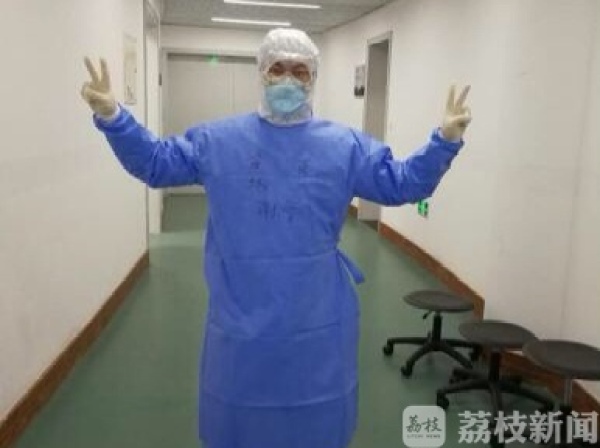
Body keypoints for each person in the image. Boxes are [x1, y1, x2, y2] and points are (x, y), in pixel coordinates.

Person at [81, 28, 471, 448]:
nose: (287, 79)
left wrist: (444, 142)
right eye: (277, 69)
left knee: (317, 414)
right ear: (262, 73)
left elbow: (402, 183)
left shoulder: (343, 147)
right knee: (238, 415)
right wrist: (115, 119)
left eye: (299, 71)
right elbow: (157, 164)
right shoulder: (218, 142)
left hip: (317, 314)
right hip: (241, 311)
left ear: (312, 78)